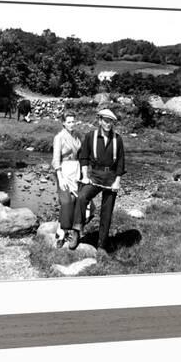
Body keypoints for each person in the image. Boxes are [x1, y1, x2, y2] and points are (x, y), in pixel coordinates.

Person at [72, 108, 126, 254]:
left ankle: (102, 244)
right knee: (82, 197)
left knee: (106, 212)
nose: (108, 124)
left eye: (111, 122)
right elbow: (83, 157)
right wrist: (84, 176)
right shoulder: (91, 136)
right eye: (106, 121)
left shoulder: (117, 139)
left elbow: (121, 162)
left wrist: (117, 181)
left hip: (111, 178)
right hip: (94, 176)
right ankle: (76, 231)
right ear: (100, 121)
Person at [51, 112, 82, 248]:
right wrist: (60, 177)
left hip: (76, 170)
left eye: (73, 121)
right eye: (68, 122)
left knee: (77, 200)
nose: (71, 124)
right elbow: (56, 159)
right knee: (66, 201)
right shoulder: (59, 137)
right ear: (63, 123)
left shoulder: (76, 136)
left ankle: (64, 230)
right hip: (63, 171)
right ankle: (62, 232)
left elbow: (81, 154)